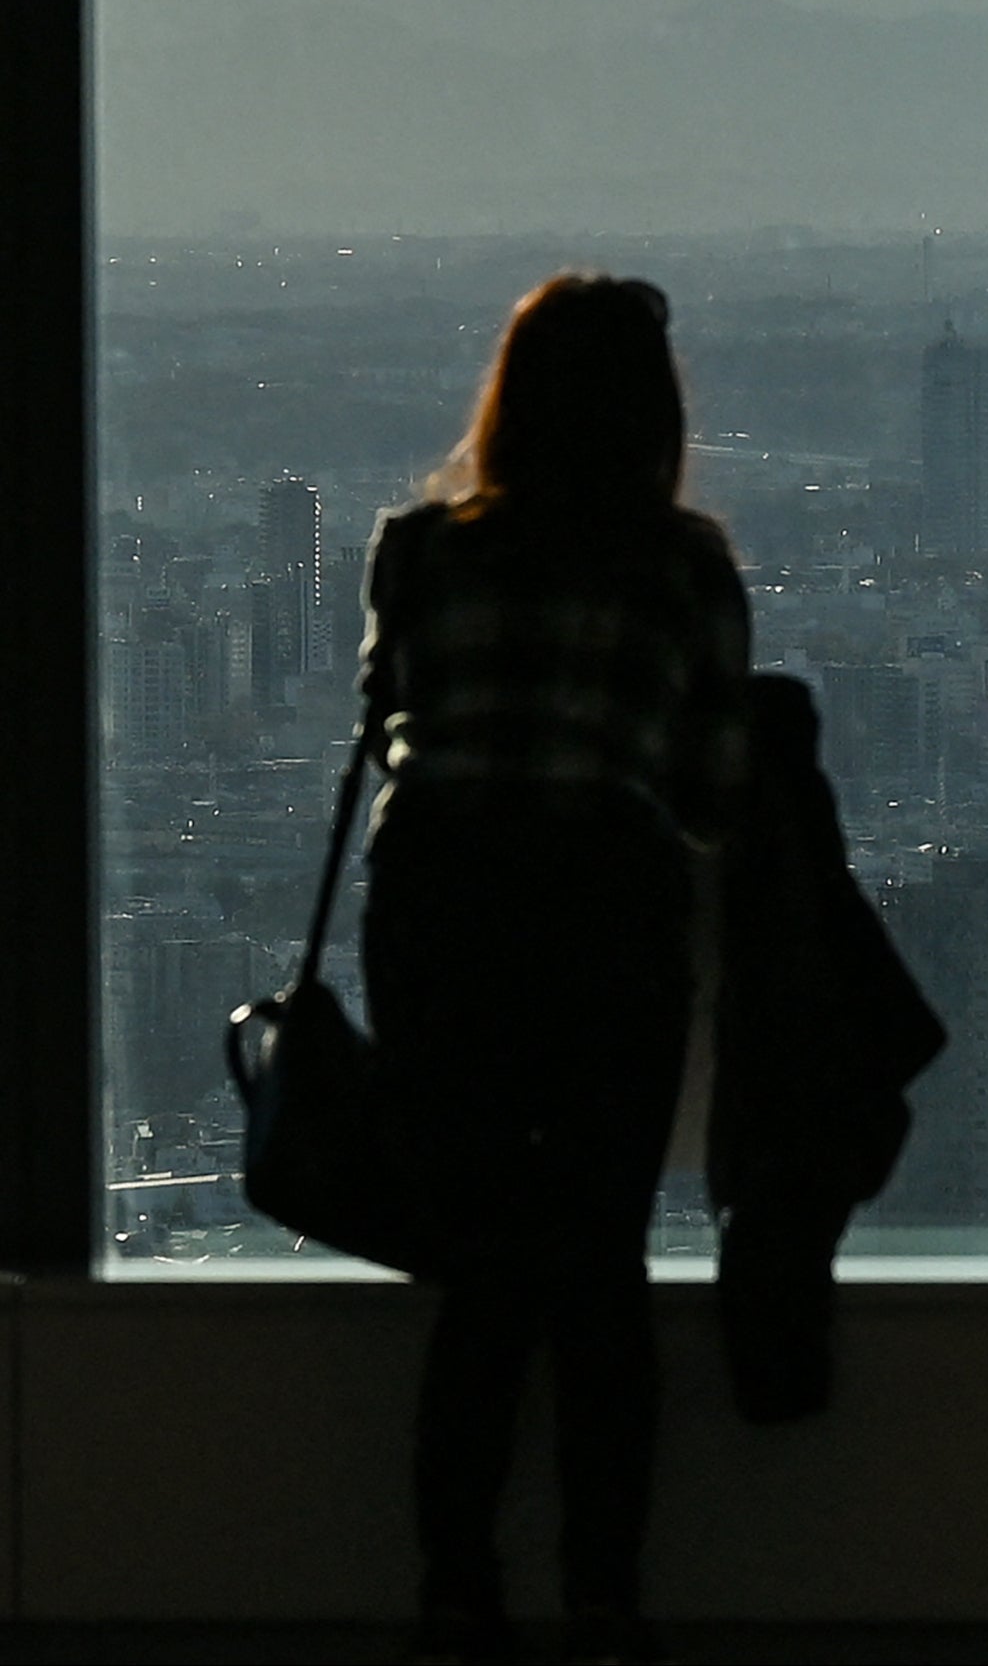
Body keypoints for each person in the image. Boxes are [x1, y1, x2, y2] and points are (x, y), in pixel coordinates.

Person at [358, 274, 750, 1665]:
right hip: (602, 911)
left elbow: (387, 719)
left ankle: (455, 1586)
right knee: (597, 1268)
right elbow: (708, 789)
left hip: (441, 912)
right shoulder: (684, 564)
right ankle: (602, 1591)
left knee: (480, 1269)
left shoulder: (418, 546)